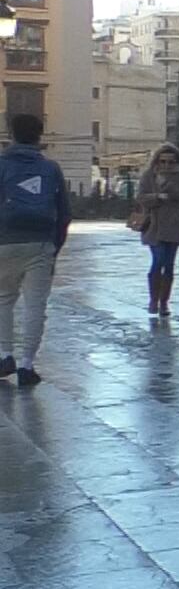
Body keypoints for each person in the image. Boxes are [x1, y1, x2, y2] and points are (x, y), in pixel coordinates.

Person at [0, 115, 70, 388]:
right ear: (40, 135)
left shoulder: (2, 165)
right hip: (40, 243)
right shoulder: (51, 168)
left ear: (11, 133)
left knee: (4, 300)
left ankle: (5, 356)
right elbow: (64, 213)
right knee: (35, 306)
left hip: (5, 242)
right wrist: (54, 248)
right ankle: (27, 365)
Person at [135, 143, 179, 317]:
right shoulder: (148, 176)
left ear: (176, 162)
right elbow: (141, 198)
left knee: (169, 264)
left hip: (174, 225)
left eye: (171, 162)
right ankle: (153, 299)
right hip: (154, 225)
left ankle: (164, 302)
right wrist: (158, 196)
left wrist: (168, 187)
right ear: (157, 161)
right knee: (158, 260)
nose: (167, 165)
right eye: (163, 161)